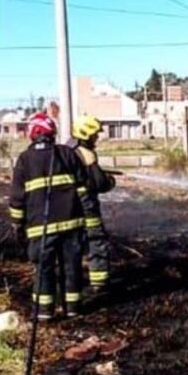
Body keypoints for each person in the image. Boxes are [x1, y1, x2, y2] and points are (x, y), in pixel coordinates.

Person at [8, 112, 94, 320]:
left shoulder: (25, 160)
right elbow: (84, 187)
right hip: (72, 225)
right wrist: (89, 219)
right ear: (52, 133)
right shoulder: (66, 154)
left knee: (43, 269)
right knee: (72, 267)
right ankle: (73, 308)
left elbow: (17, 197)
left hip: (40, 228)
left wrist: (17, 224)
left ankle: (44, 312)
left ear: (33, 133)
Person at [67, 115, 116, 294]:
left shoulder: (67, 149)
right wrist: (110, 181)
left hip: (67, 206)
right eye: (94, 134)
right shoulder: (86, 154)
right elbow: (99, 183)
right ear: (85, 134)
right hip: (86, 204)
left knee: (73, 243)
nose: (97, 138)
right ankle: (99, 283)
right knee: (96, 240)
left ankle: (72, 281)